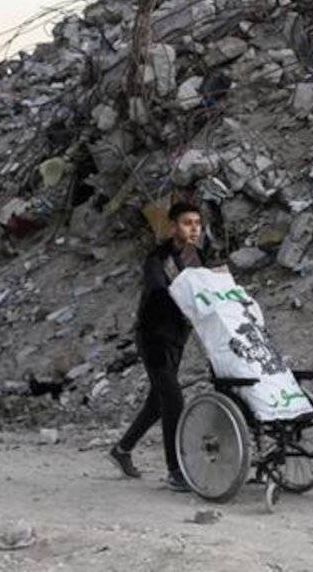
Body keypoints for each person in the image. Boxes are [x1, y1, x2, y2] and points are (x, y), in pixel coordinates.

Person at [109, 201, 205, 491]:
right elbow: (160, 295)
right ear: (174, 227)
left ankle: (122, 450)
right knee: (173, 400)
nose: (194, 229)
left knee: (157, 402)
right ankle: (175, 470)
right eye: (187, 223)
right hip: (154, 339)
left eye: (197, 223)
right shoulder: (157, 259)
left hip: (177, 338)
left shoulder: (195, 258)